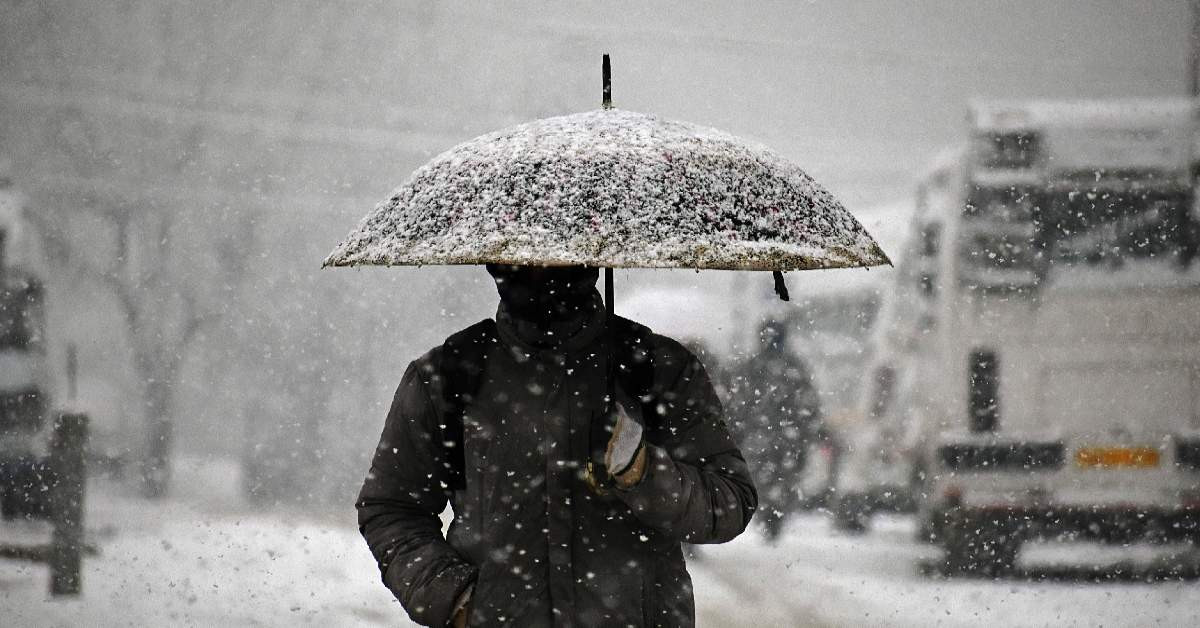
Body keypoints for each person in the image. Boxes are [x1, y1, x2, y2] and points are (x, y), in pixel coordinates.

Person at [356, 265, 757, 628]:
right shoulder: (449, 375)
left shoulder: (656, 368)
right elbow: (391, 508)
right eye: (520, 257)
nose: (540, 269)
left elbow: (730, 502)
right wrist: (455, 600)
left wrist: (643, 470)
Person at [726, 319, 822, 543]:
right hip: (785, 438)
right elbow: (808, 404)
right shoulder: (794, 368)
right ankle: (773, 514)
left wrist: (736, 430)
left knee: (764, 478)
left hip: (761, 437)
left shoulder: (751, 367)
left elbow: (737, 404)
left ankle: (769, 512)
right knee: (780, 478)